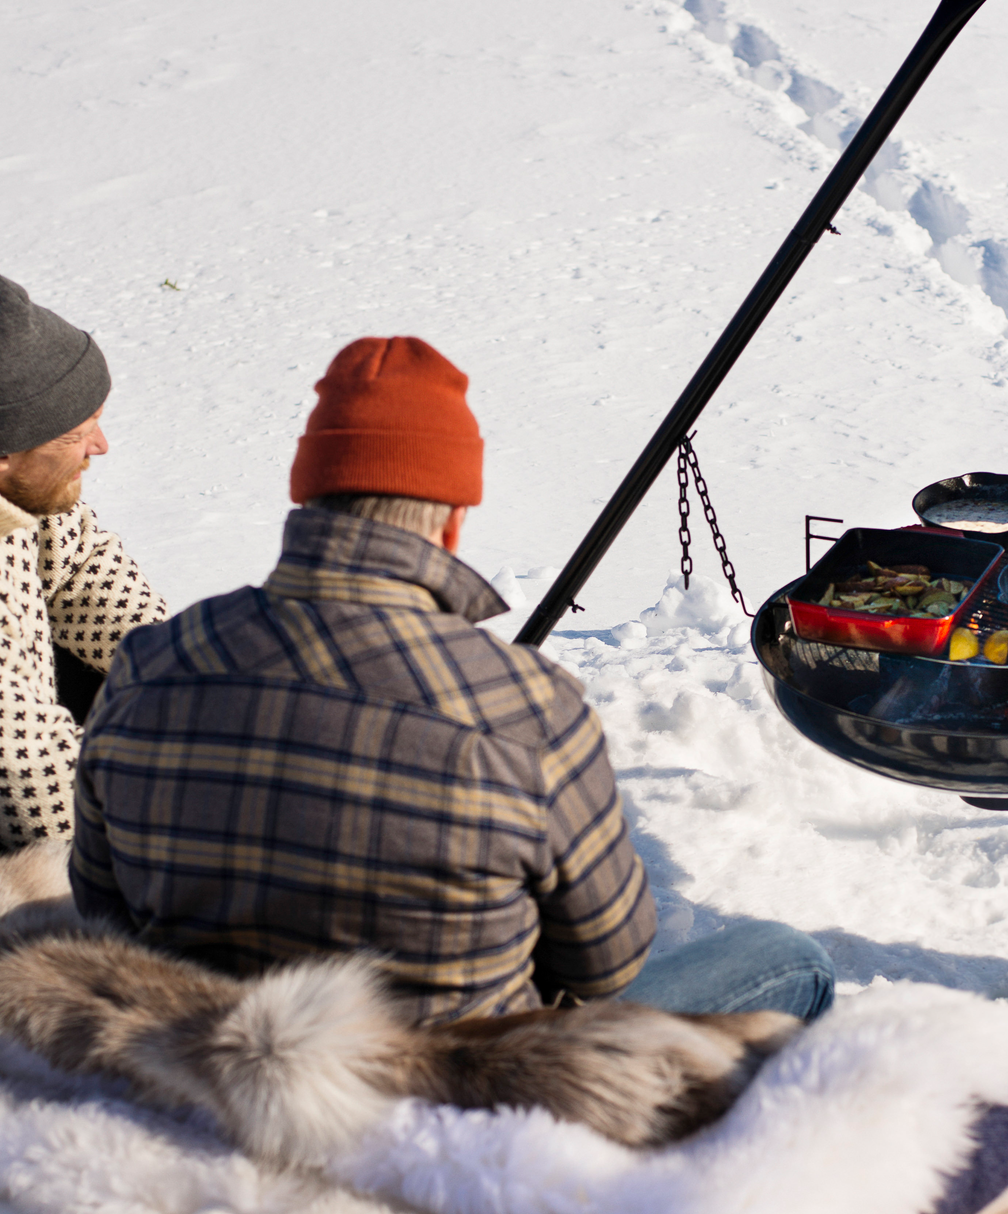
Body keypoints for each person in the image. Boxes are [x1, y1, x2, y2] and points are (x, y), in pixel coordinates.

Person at [69, 334, 834, 1024]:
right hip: (461, 1101)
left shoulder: (150, 665)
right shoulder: (527, 707)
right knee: (790, 960)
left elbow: (103, 916)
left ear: (310, 492)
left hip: (209, 1073)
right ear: (453, 518)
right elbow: (608, 961)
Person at [0, 274, 165, 851]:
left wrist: (178, 672)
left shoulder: (23, 489)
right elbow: (24, 768)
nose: (101, 446)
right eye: (76, 433)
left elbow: (78, 566)